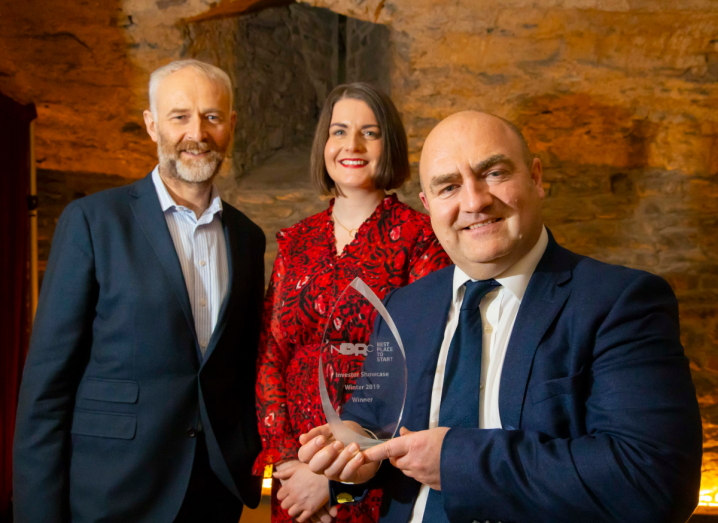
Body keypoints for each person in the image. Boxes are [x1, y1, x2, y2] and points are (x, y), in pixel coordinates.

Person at [297, 111, 703, 523]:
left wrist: (458, 461)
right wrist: (354, 453)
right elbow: (373, 427)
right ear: (428, 205)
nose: (473, 202)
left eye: (492, 173)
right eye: (449, 187)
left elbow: (655, 479)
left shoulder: (619, 302)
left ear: (536, 178)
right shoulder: (403, 308)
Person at [13, 59, 266, 522]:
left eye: (211, 116)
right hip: (112, 493)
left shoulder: (248, 239)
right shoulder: (93, 222)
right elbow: (46, 392)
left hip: (212, 495)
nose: (197, 132)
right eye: (179, 116)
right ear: (152, 125)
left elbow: (242, 368)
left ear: (230, 126)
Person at [254, 83, 451, 523]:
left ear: (391, 145)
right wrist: (290, 464)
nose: (352, 145)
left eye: (370, 132)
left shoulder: (421, 241)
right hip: (295, 477)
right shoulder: (296, 242)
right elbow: (271, 354)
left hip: (375, 472)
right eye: (339, 131)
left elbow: (423, 366)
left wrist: (335, 480)